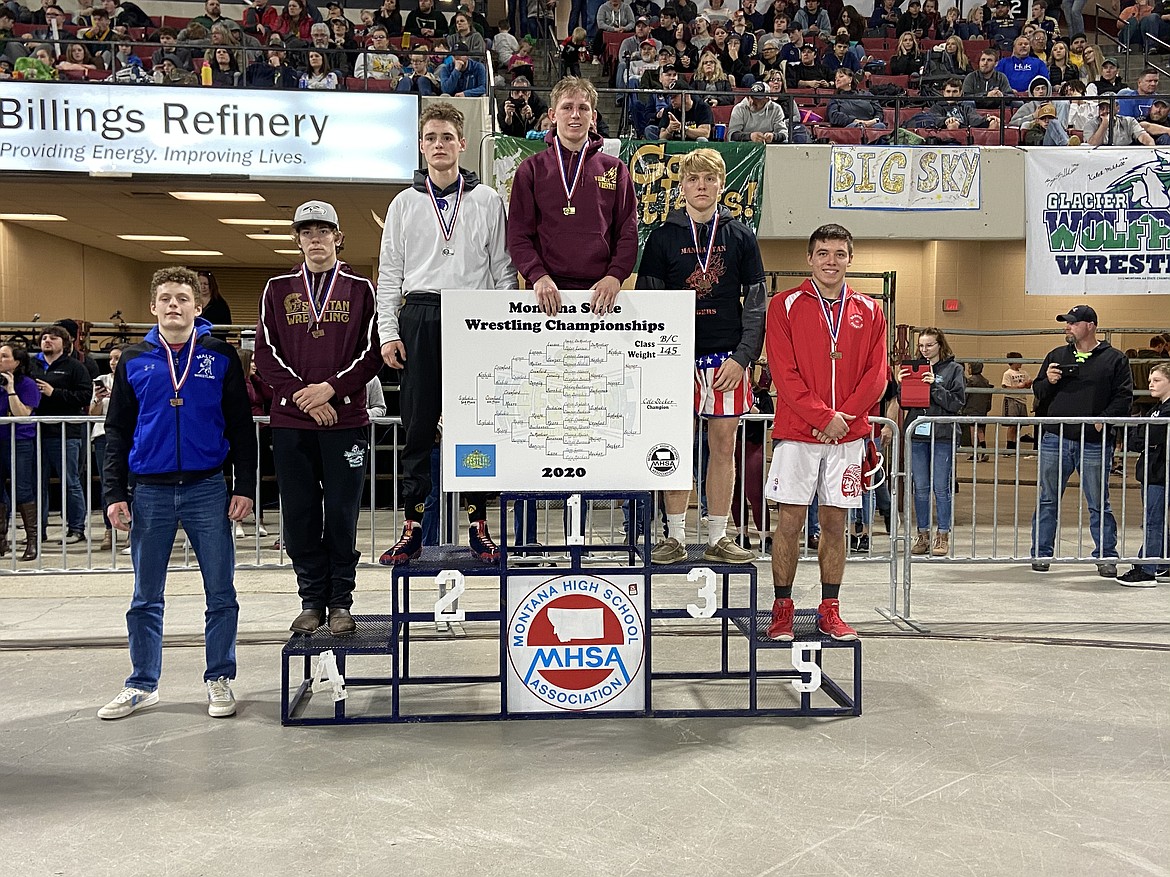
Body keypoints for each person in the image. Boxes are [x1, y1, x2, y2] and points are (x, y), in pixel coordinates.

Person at [98, 266, 256, 721]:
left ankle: (219, 677)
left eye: (183, 298)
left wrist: (244, 486)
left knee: (221, 592)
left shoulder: (220, 356)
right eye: (165, 298)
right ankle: (141, 683)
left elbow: (241, 427)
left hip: (208, 488)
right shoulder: (134, 359)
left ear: (197, 306)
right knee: (145, 596)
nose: (174, 305)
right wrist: (113, 493)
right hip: (149, 491)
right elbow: (117, 430)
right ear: (153, 306)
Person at [375, 103, 516, 566]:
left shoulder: (487, 199)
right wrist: (388, 332)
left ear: (462, 143)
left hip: (474, 315)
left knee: (474, 425)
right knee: (417, 428)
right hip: (419, 312)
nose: (439, 144)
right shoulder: (403, 203)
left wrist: (503, 325)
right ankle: (413, 527)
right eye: (431, 137)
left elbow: (503, 270)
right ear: (421, 145)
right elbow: (390, 274)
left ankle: (479, 524)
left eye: (447, 137)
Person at [507, 76, 638, 546]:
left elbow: (627, 232)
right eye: (567, 107)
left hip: (599, 308)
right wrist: (538, 275)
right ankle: (528, 539)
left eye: (583, 107)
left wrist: (616, 275)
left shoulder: (614, 170)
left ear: (594, 116)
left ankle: (589, 536)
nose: (575, 114)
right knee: (540, 417)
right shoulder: (531, 170)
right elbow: (518, 234)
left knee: (596, 418)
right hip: (547, 306)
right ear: (552, 115)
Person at [254, 200, 383, 636]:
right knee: (300, 514)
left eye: (323, 231)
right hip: (292, 421)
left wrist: (331, 390)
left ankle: (341, 601)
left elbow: (371, 354)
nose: (315, 239)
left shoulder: (361, 289)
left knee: (342, 514)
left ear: (337, 237)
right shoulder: (276, 289)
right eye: (306, 232)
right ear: (297, 239)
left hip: (344, 420)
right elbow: (265, 355)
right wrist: (304, 397)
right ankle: (311, 600)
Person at [636, 148, 766, 565]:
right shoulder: (662, 237)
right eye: (693, 179)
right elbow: (648, 303)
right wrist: (660, 360)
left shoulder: (741, 236)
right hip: (676, 360)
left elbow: (756, 304)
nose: (702, 186)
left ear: (722, 184)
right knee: (675, 446)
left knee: (723, 447)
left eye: (709, 179)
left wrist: (743, 358)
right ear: (682, 186)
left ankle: (718, 536)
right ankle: (674, 536)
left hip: (727, 359)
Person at [765, 224, 888, 643]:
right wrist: (822, 417)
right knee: (790, 521)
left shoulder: (870, 309)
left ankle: (830, 608)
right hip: (799, 433)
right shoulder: (784, 305)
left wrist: (845, 418)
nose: (830, 261)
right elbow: (783, 372)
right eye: (823, 253)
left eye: (839, 253)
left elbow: (878, 374)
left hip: (847, 437)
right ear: (809, 258)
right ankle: (782, 608)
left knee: (835, 523)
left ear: (850, 258)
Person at [1030, 305, 1133, 576]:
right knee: (1047, 499)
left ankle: (1106, 555)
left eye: (1073, 323)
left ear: (1090, 326)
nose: (1068, 327)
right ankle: (1041, 552)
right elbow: (1038, 391)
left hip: (1094, 441)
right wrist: (1048, 381)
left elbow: (1124, 396)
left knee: (1099, 502)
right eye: (1067, 323)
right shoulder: (1056, 355)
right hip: (1056, 438)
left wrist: (1104, 418)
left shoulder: (1114, 359)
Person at [898, 328, 965, 557]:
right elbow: (906, 403)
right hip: (918, 434)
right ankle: (923, 534)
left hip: (943, 435)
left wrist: (934, 385)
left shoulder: (954, 369)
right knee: (920, 487)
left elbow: (956, 403)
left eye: (929, 345)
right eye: (921, 346)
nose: (924, 350)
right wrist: (903, 385)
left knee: (941, 487)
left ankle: (943, 534)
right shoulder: (915, 368)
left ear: (940, 345)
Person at [34, 325, 93, 544]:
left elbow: (84, 396)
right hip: (36, 433)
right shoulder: (32, 365)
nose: (47, 340)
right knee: (37, 483)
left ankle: (76, 528)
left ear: (65, 343)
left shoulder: (75, 367)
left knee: (70, 482)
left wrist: (54, 393)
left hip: (66, 433)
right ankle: (37, 530)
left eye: (53, 338)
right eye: (44, 338)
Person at [1117, 363, 1170, 586]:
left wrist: (1143, 435)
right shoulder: (1156, 408)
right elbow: (1138, 439)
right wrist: (1142, 435)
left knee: (1153, 521)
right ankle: (1164, 563)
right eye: (1150, 380)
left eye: (1157, 380)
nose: (1151, 384)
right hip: (1152, 470)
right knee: (1155, 520)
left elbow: (1151, 436)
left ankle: (1146, 569)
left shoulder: (1165, 411)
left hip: (1160, 472)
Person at [0, 344, 41, 561]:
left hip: (19, 442)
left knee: (23, 489)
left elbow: (22, 415)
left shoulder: (27, 384)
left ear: (16, 362)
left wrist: (10, 389)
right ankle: (1, 540)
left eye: (4, 356)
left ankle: (32, 541)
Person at [89, 345, 122, 552]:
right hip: (103, 435)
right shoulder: (101, 380)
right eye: (111, 358)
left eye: (117, 358)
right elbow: (93, 414)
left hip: (129, 435)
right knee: (107, 484)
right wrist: (98, 399)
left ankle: (133, 528)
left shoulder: (134, 378)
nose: (112, 362)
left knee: (133, 484)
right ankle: (109, 529)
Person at [1085, 98, 1157, 146]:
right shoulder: (1091, 124)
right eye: (1102, 108)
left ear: (1117, 108)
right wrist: (1104, 124)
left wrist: (1151, 147)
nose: (1105, 111)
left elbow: (1143, 137)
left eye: (1109, 107)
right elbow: (1093, 145)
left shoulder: (1129, 122)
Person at [1001, 352, 1032, 451]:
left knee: (1019, 424)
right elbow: (1006, 387)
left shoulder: (1024, 373)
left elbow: (1028, 384)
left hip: (1022, 400)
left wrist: (1027, 384)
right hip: (1012, 400)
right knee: (1012, 425)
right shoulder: (1008, 373)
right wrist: (1018, 387)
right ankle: (1009, 447)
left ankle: (1014, 444)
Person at [962, 360, 993, 459]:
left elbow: (966, 395)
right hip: (982, 408)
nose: (968, 369)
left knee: (973, 430)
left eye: (969, 367)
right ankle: (984, 450)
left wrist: (963, 406)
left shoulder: (970, 381)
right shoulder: (985, 381)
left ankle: (974, 453)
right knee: (980, 430)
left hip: (972, 408)